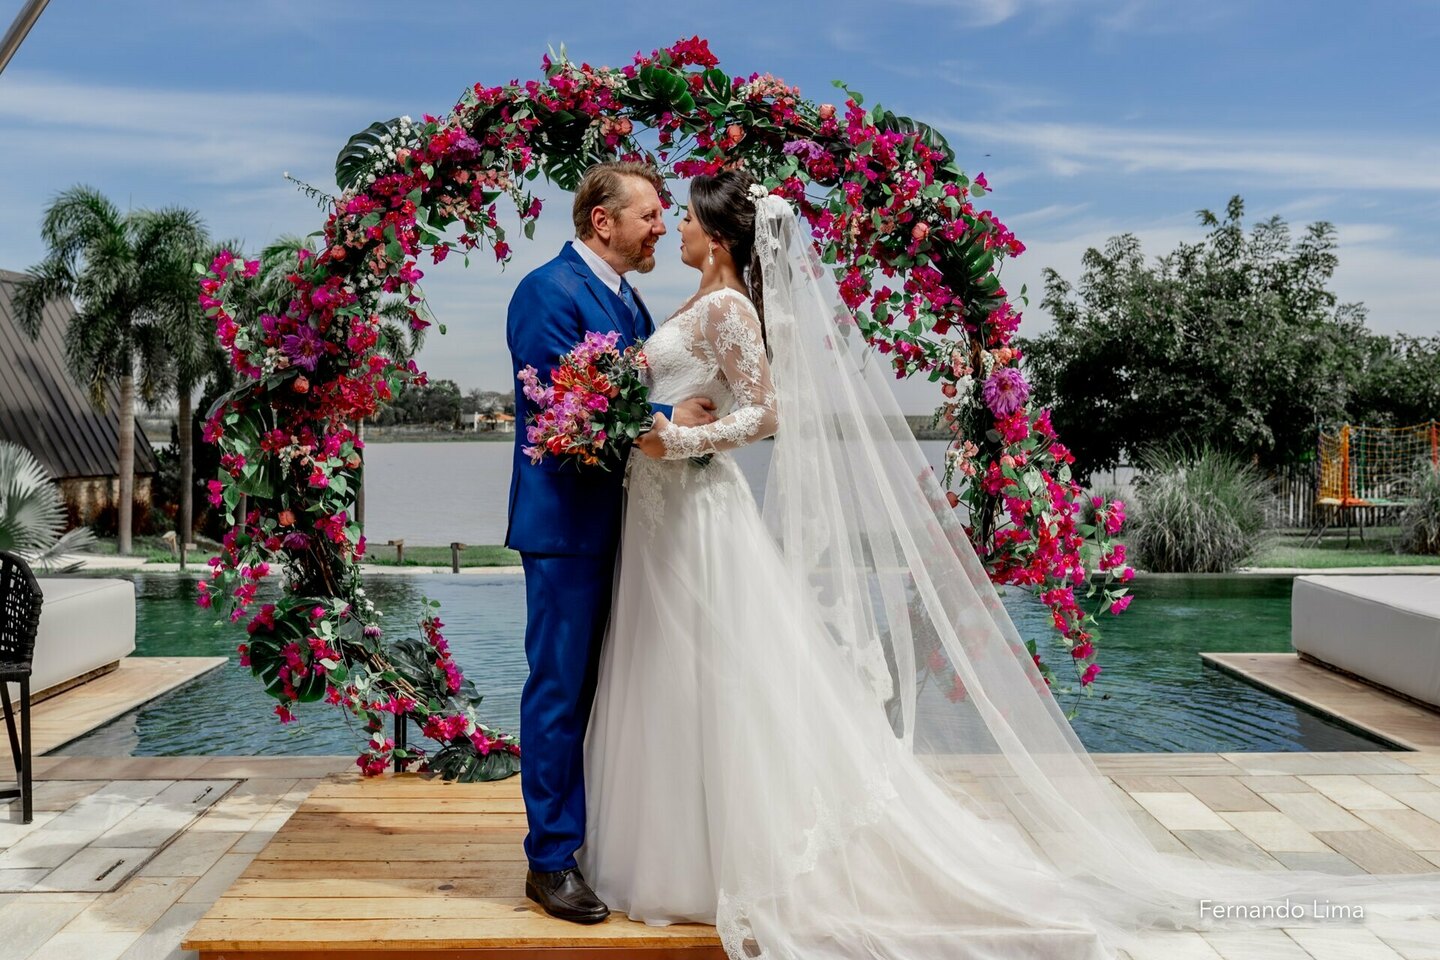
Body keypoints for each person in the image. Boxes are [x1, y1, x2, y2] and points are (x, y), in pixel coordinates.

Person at [576, 167, 1440, 959]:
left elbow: (769, 414)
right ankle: (684, 846)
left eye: (682, 217)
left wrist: (674, 438)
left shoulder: (728, 308)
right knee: (680, 670)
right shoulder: (697, 302)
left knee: (715, 671)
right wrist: (655, 420)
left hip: (697, 508)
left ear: (718, 234)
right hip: (663, 512)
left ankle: (723, 856)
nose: (673, 226)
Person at [504, 161, 716, 924]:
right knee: (560, 693)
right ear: (604, 220)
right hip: (567, 525)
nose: (662, 226)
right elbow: (569, 405)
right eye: (651, 214)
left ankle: (598, 841)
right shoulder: (547, 292)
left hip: (626, 521)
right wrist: (668, 419)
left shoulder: (627, 298)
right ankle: (550, 860)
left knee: (609, 692)